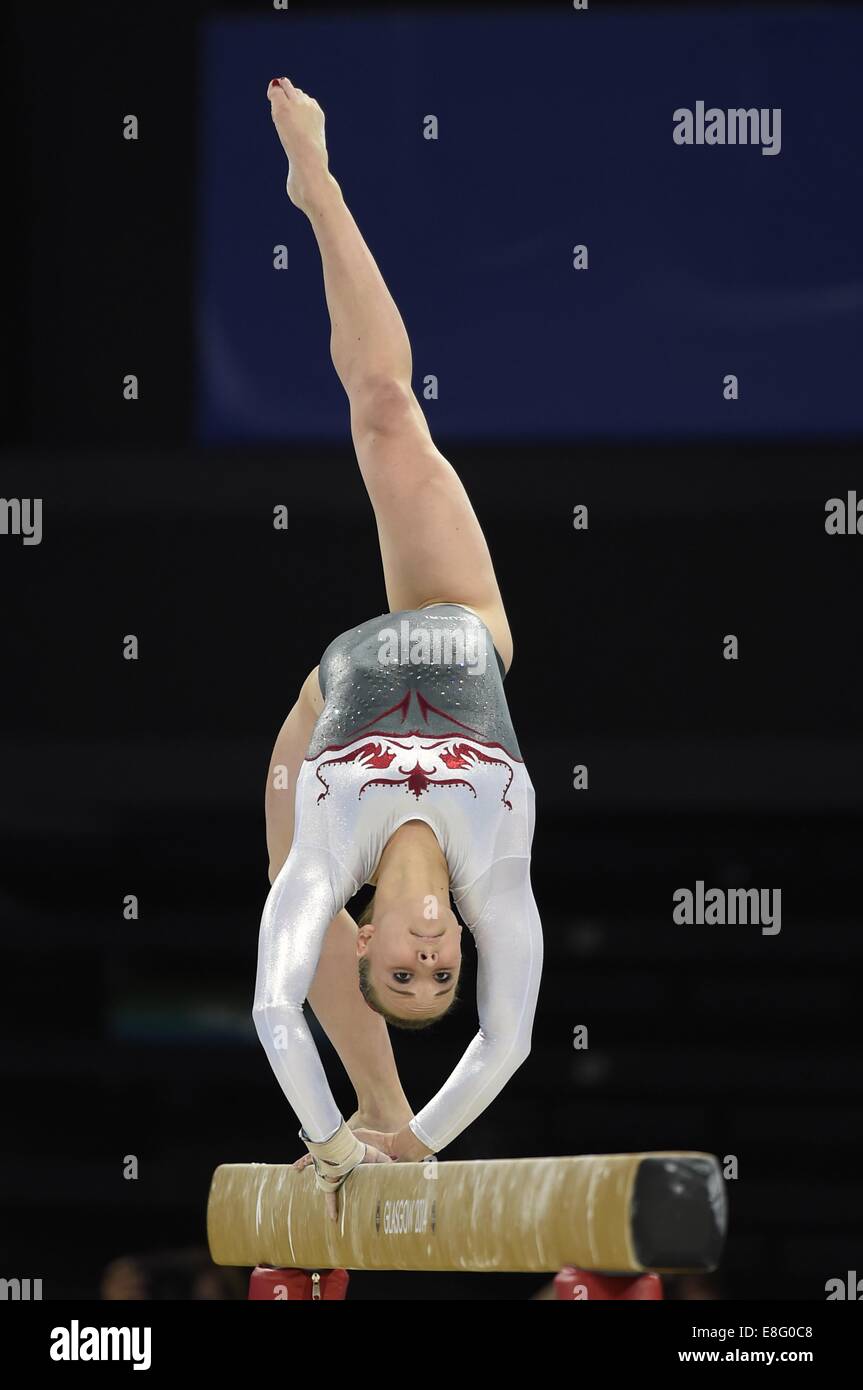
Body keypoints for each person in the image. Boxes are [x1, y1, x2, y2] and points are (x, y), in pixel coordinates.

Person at [253, 77, 543, 1215]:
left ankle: (369, 1106)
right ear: (460, 945)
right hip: (460, 623)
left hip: (328, 701)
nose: (426, 953)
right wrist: (424, 1141)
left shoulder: (333, 874)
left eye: (401, 970)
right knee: (388, 410)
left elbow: (275, 1009)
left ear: (369, 937)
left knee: (288, 887)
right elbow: (509, 1044)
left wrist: (331, 1143)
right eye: (441, 973)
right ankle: (320, 189)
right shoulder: (498, 878)